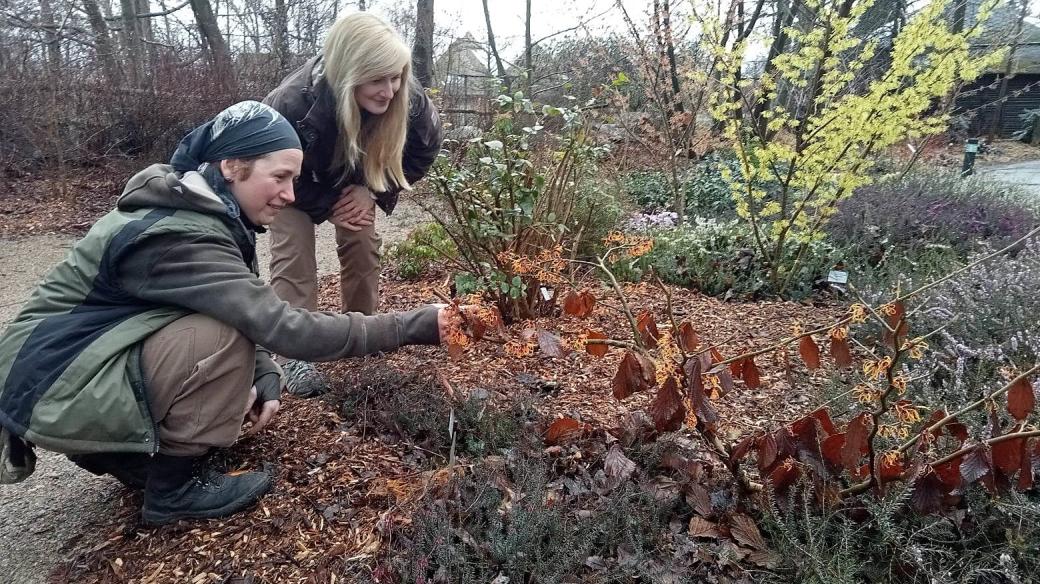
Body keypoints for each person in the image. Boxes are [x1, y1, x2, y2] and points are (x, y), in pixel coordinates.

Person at [0, 101, 454, 526]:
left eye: (294, 180)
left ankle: (125, 457)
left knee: (227, 339)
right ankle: (173, 489)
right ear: (232, 166)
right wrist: (414, 324)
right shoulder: (180, 235)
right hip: (53, 379)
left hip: (64, 370)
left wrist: (264, 376)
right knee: (220, 336)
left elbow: (243, 309)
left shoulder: (204, 211)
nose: (289, 195)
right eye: (279, 177)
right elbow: (280, 326)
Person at [263, 12, 443, 397]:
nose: (390, 89)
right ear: (348, 71)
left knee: (362, 246)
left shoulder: (410, 101)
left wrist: (373, 192)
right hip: (297, 185)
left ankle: (364, 333)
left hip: (355, 184)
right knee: (294, 253)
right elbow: (271, 171)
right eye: (378, 78)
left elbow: (422, 153)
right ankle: (295, 352)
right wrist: (327, 201)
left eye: (396, 76)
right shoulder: (293, 102)